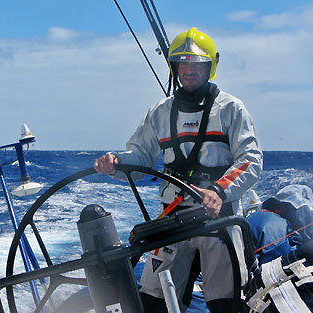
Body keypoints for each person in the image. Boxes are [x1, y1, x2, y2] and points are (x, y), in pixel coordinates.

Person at [94, 27, 263, 312]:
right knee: (153, 302)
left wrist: (219, 191)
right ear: (174, 67)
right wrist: (116, 164)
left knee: (228, 305)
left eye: (196, 63)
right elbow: (140, 158)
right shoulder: (159, 111)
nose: (188, 70)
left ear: (210, 65)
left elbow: (250, 159)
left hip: (218, 221)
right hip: (173, 221)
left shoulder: (231, 108)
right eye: (182, 63)